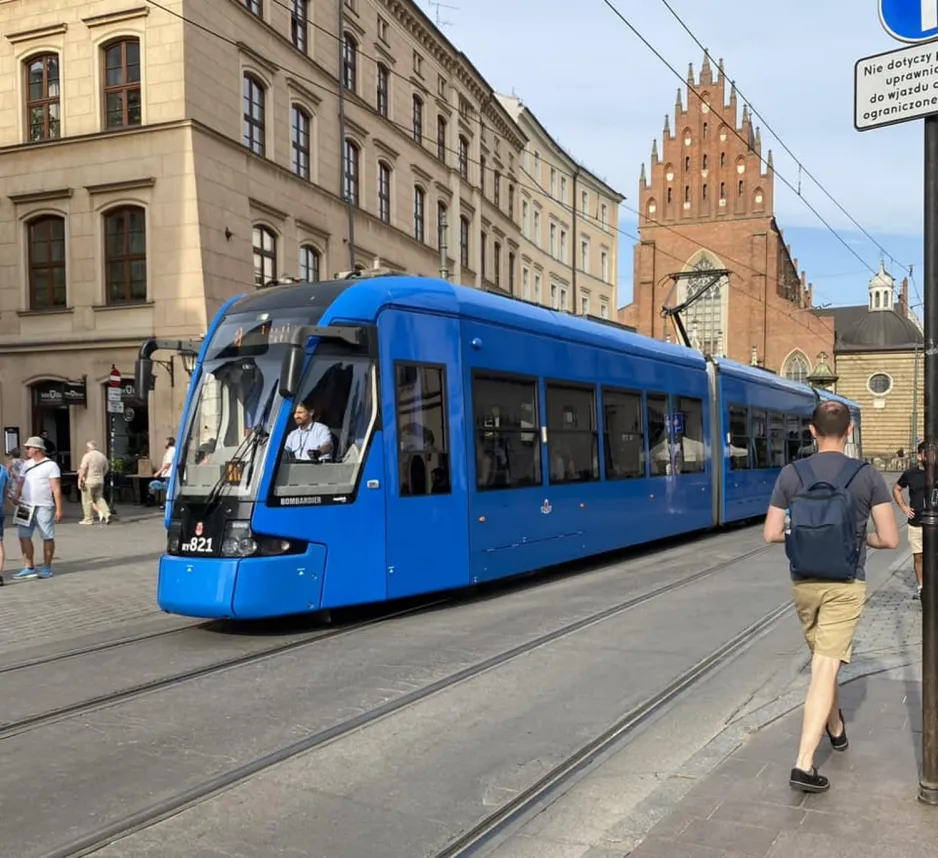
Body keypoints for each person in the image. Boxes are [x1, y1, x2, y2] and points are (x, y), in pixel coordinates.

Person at [764, 400, 898, 793]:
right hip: (845, 583)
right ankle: (804, 765)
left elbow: (772, 533)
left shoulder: (792, 474)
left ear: (812, 431)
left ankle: (836, 729)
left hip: (804, 582)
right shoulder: (867, 475)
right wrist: (861, 539)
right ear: (851, 431)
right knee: (826, 665)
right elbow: (890, 539)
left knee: (824, 661)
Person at [11, 436, 63, 581]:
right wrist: (17, 495)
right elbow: (21, 482)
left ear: (38, 449)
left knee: (47, 536)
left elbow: (56, 488)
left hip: (43, 505)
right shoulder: (26, 464)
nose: (26, 450)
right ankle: (29, 567)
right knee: (23, 536)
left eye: (29, 448)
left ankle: (47, 567)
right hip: (26, 505)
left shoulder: (51, 466)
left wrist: (59, 509)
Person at [894, 440, 926, 598]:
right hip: (916, 523)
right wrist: (904, 507)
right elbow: (896, 488)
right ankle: (921, 586)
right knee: (918, 555)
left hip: (934, 524)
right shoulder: (911, 474)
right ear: (920, 456)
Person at [77, 440, 111, 525]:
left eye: (87, 448)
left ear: (89, 448)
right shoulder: (102, 456)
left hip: (89, 480)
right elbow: (106, 468)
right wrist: (101, 475)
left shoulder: (87, 456)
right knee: (99, 498)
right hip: (100, 480)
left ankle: (88, 519)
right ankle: (107, 513)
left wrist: (80, 479)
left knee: (87, 500)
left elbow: (83, 469)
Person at [148, 436, 177, 508]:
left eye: (165, 442)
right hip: (170, 474)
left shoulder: (171, 451)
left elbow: (168, 464)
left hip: (169, 474)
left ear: (168, 442)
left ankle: (165, 504)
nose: (164, 444)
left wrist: (158, 472)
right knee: (168, 490)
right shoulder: (174, 450)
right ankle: (166, 504)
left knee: (166, 488)